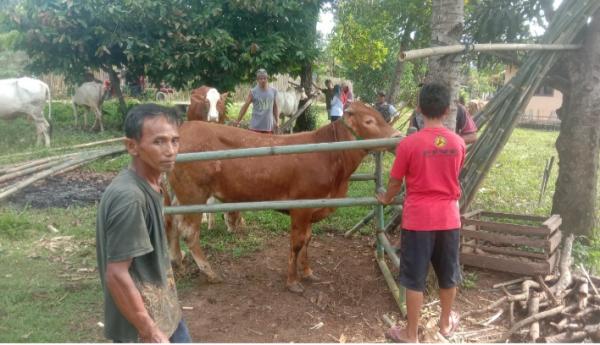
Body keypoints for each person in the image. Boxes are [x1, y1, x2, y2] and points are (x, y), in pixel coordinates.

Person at [376, 83, 465, 343]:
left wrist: (386, 198)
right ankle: (446, 323)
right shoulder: (458, 143)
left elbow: (394, 182)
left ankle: (411, 334)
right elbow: (454, 173)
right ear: (448, 110)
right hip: (449, 218)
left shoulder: (408, 145)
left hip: (418, 219)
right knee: (448, 273)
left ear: (418, 110)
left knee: (414, 278)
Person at [96, 103, 192, 343]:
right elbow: (116, 274)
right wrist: (150, 331)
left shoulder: (152, 183)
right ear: (132, 146)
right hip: (143, 328)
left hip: (163, 312)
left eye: (174, 140)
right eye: (159, 142)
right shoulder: (130, 199)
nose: (170, 150)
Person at [409, 99, 478, 144]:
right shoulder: (418, 111)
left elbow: (472, 136)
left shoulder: (458, 109)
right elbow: (410, 136)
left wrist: (447, 142)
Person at [235, 68, 279, 133]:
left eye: (265, 78)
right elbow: (245, 106)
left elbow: (275, 107)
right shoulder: (253, 92)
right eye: (261, 79)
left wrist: (277, 122)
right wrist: (238, 120)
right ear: (257, 80)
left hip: (268, 128)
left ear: (267, 79)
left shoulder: (273, 91)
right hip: (255, 128)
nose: (263, 80)